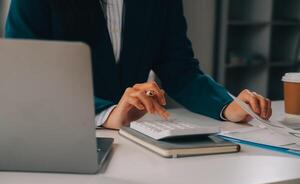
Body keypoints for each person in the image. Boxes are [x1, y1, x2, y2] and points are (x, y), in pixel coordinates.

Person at [5, 0, 272, 129]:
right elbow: (24, 78)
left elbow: (180, 70)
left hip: (131, 141)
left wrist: (227, 106)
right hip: (57, 135)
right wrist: (108, 114)